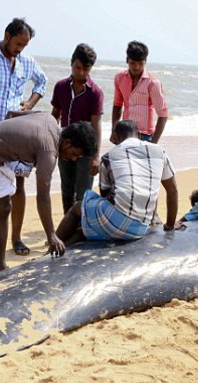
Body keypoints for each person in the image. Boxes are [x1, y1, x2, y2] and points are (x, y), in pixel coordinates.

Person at [0, 113, 97, 288]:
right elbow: (43, 196)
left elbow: (13, 115)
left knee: (3, 208)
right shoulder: (49, 151)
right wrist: (52, 235)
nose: (73, 158)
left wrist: (9, 141)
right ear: (67, 143)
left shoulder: (50, 120)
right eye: (74, 154)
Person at [0, 17, 47, 257]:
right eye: (18, 43)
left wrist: (30, 103)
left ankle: (16, 238)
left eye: (24, 45)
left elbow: (42, 82)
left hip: (16, 136)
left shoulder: (27, 62)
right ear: (7, 35)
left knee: (18, 186)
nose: (20, 48)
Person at [50, 119, 179, 251]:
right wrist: (169, 226)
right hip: (140, 228)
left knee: (78, 207)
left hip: (116, 223)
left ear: (116, 136)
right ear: (138, 135)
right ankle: (62, 248)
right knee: (91, 225)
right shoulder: (159, 152)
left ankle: (51, 249)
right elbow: (173, 191)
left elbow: (105, 195)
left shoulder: (108, 157)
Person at [51, 43, 104, 213]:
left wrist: (96, 155)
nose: (81, 72)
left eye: (85, 69)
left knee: (83, 193)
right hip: (64, 146)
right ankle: (68, 226)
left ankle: (82, 228)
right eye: (78, 67)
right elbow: (55, 115)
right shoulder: (60, 87)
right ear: (72, 63)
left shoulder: (95, 92)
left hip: (85, 149)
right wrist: (50, 143)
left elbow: (96, 124)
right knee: (66, 190)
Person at [111, 40, 168, 144]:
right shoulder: (119, 78)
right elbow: (117, 106)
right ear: (127, 60)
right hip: (125, 134)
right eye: (133, 63)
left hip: (145, 136)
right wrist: (114, 131)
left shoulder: (153, 83)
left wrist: (153, 143)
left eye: (140, 63)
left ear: (145, 61)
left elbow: (163, 114)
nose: (136, 67)